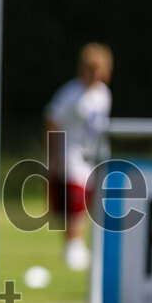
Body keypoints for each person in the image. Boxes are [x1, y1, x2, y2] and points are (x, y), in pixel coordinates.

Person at [45, 43, 113, 270]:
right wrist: (54, 153)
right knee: (74, 201)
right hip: (70, 154)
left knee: (91, 202)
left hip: (92, 156)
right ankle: (72, 247)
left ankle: (83, 245)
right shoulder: (71, 93)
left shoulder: (103, 94)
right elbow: (52, 120)